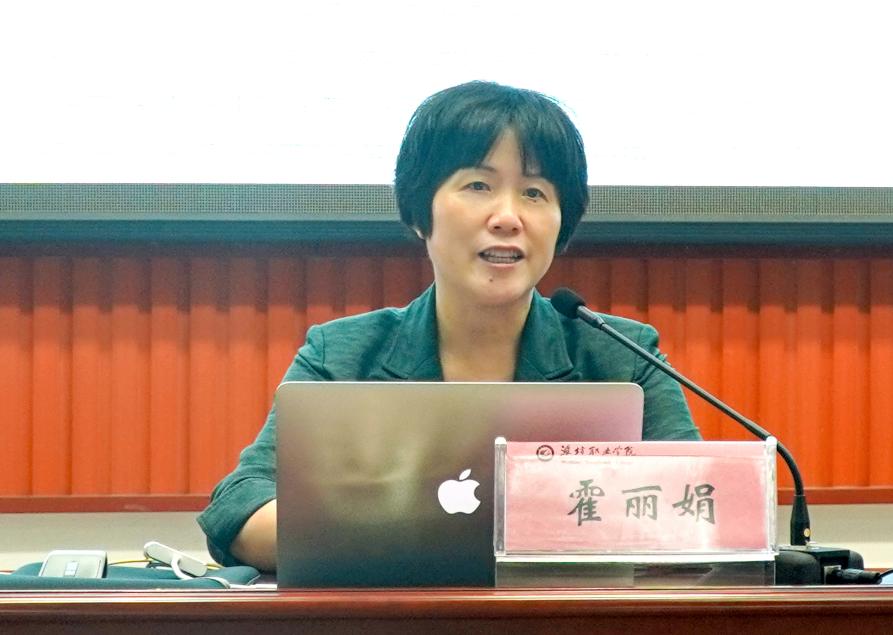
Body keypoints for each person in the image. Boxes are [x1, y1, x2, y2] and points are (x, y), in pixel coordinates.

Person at [197, 81, 701, 571]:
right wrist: (410, 539)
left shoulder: (621, 355)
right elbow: (240, 507)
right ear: (421, 213)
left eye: (534, 192)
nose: (508, 217)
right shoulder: (344, 355)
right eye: (478, 185)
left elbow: (696, 510)